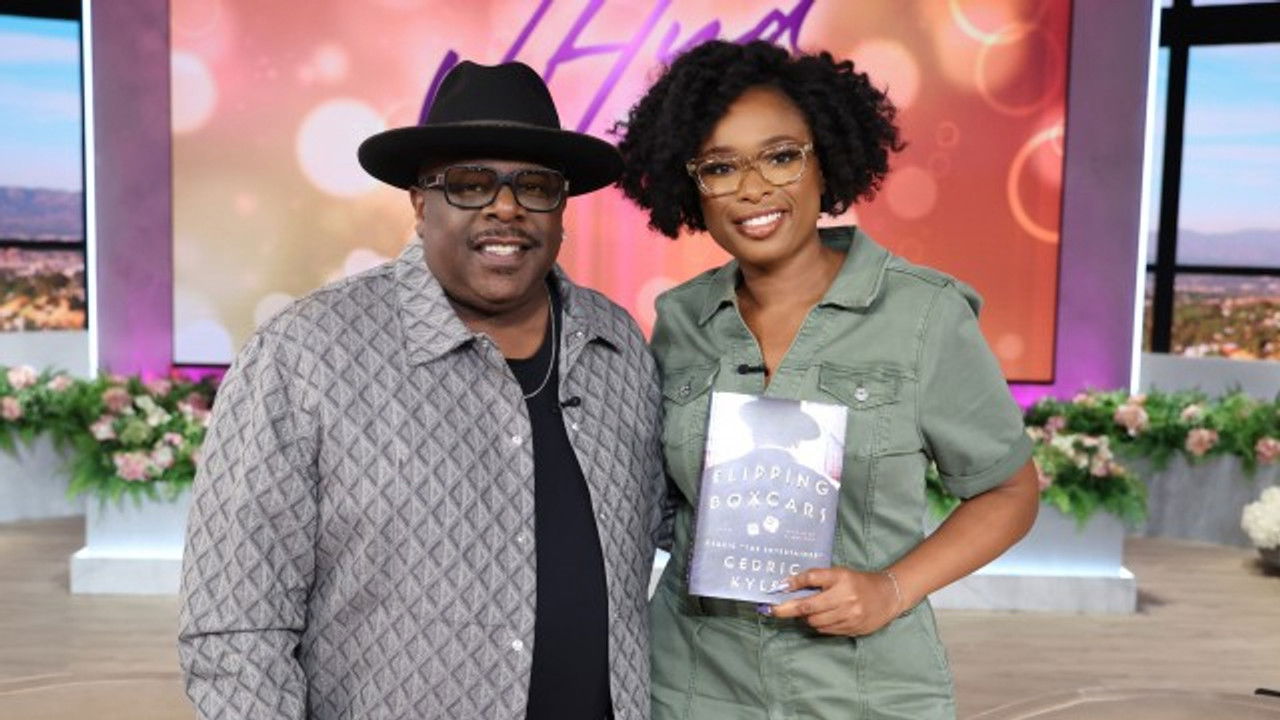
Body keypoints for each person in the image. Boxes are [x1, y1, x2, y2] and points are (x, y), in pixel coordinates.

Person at [178, 60, 663, 720]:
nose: (505, 207)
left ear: (561, 210)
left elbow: (674, 525)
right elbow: (235, 627)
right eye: (470, 183)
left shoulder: (618, 344)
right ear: (418, 203)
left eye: (535, 186)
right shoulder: (304, 356)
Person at [615, 40, 1041, 719]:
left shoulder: (924, 314)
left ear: (826, 162)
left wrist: (891, 589)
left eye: (781, 156)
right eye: (720, 168)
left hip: (865, 691)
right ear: (690, 187)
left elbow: (1009, 491)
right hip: (692, 686)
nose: (753, 188)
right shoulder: (680, 321)